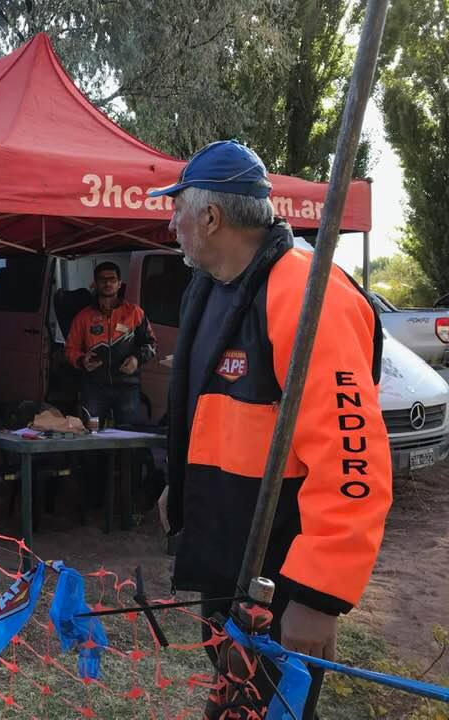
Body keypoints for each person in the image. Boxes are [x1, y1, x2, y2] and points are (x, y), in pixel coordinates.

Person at [152, 140, 392, 718]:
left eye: (177, 209)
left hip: (282, 574)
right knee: (233, 702)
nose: (171, 224)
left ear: (211, 217)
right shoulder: (211, 287)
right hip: (228, 559)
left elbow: (352, 453)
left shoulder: (308, 295)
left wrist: (318, 595)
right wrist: (179, 487)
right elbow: (213, 413)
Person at [64, 261, 157, 427]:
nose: (107, 283)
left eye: (112, 279)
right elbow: (70, 349)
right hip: (94, 387)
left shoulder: (134, 312)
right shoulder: (83, 317)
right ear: (95, 284)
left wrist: (136, 359)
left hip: (127, 386)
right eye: (102, 279)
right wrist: (82, 360)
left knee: (128, 435)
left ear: (119, 283)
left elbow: (151, 344)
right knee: (92, 435)